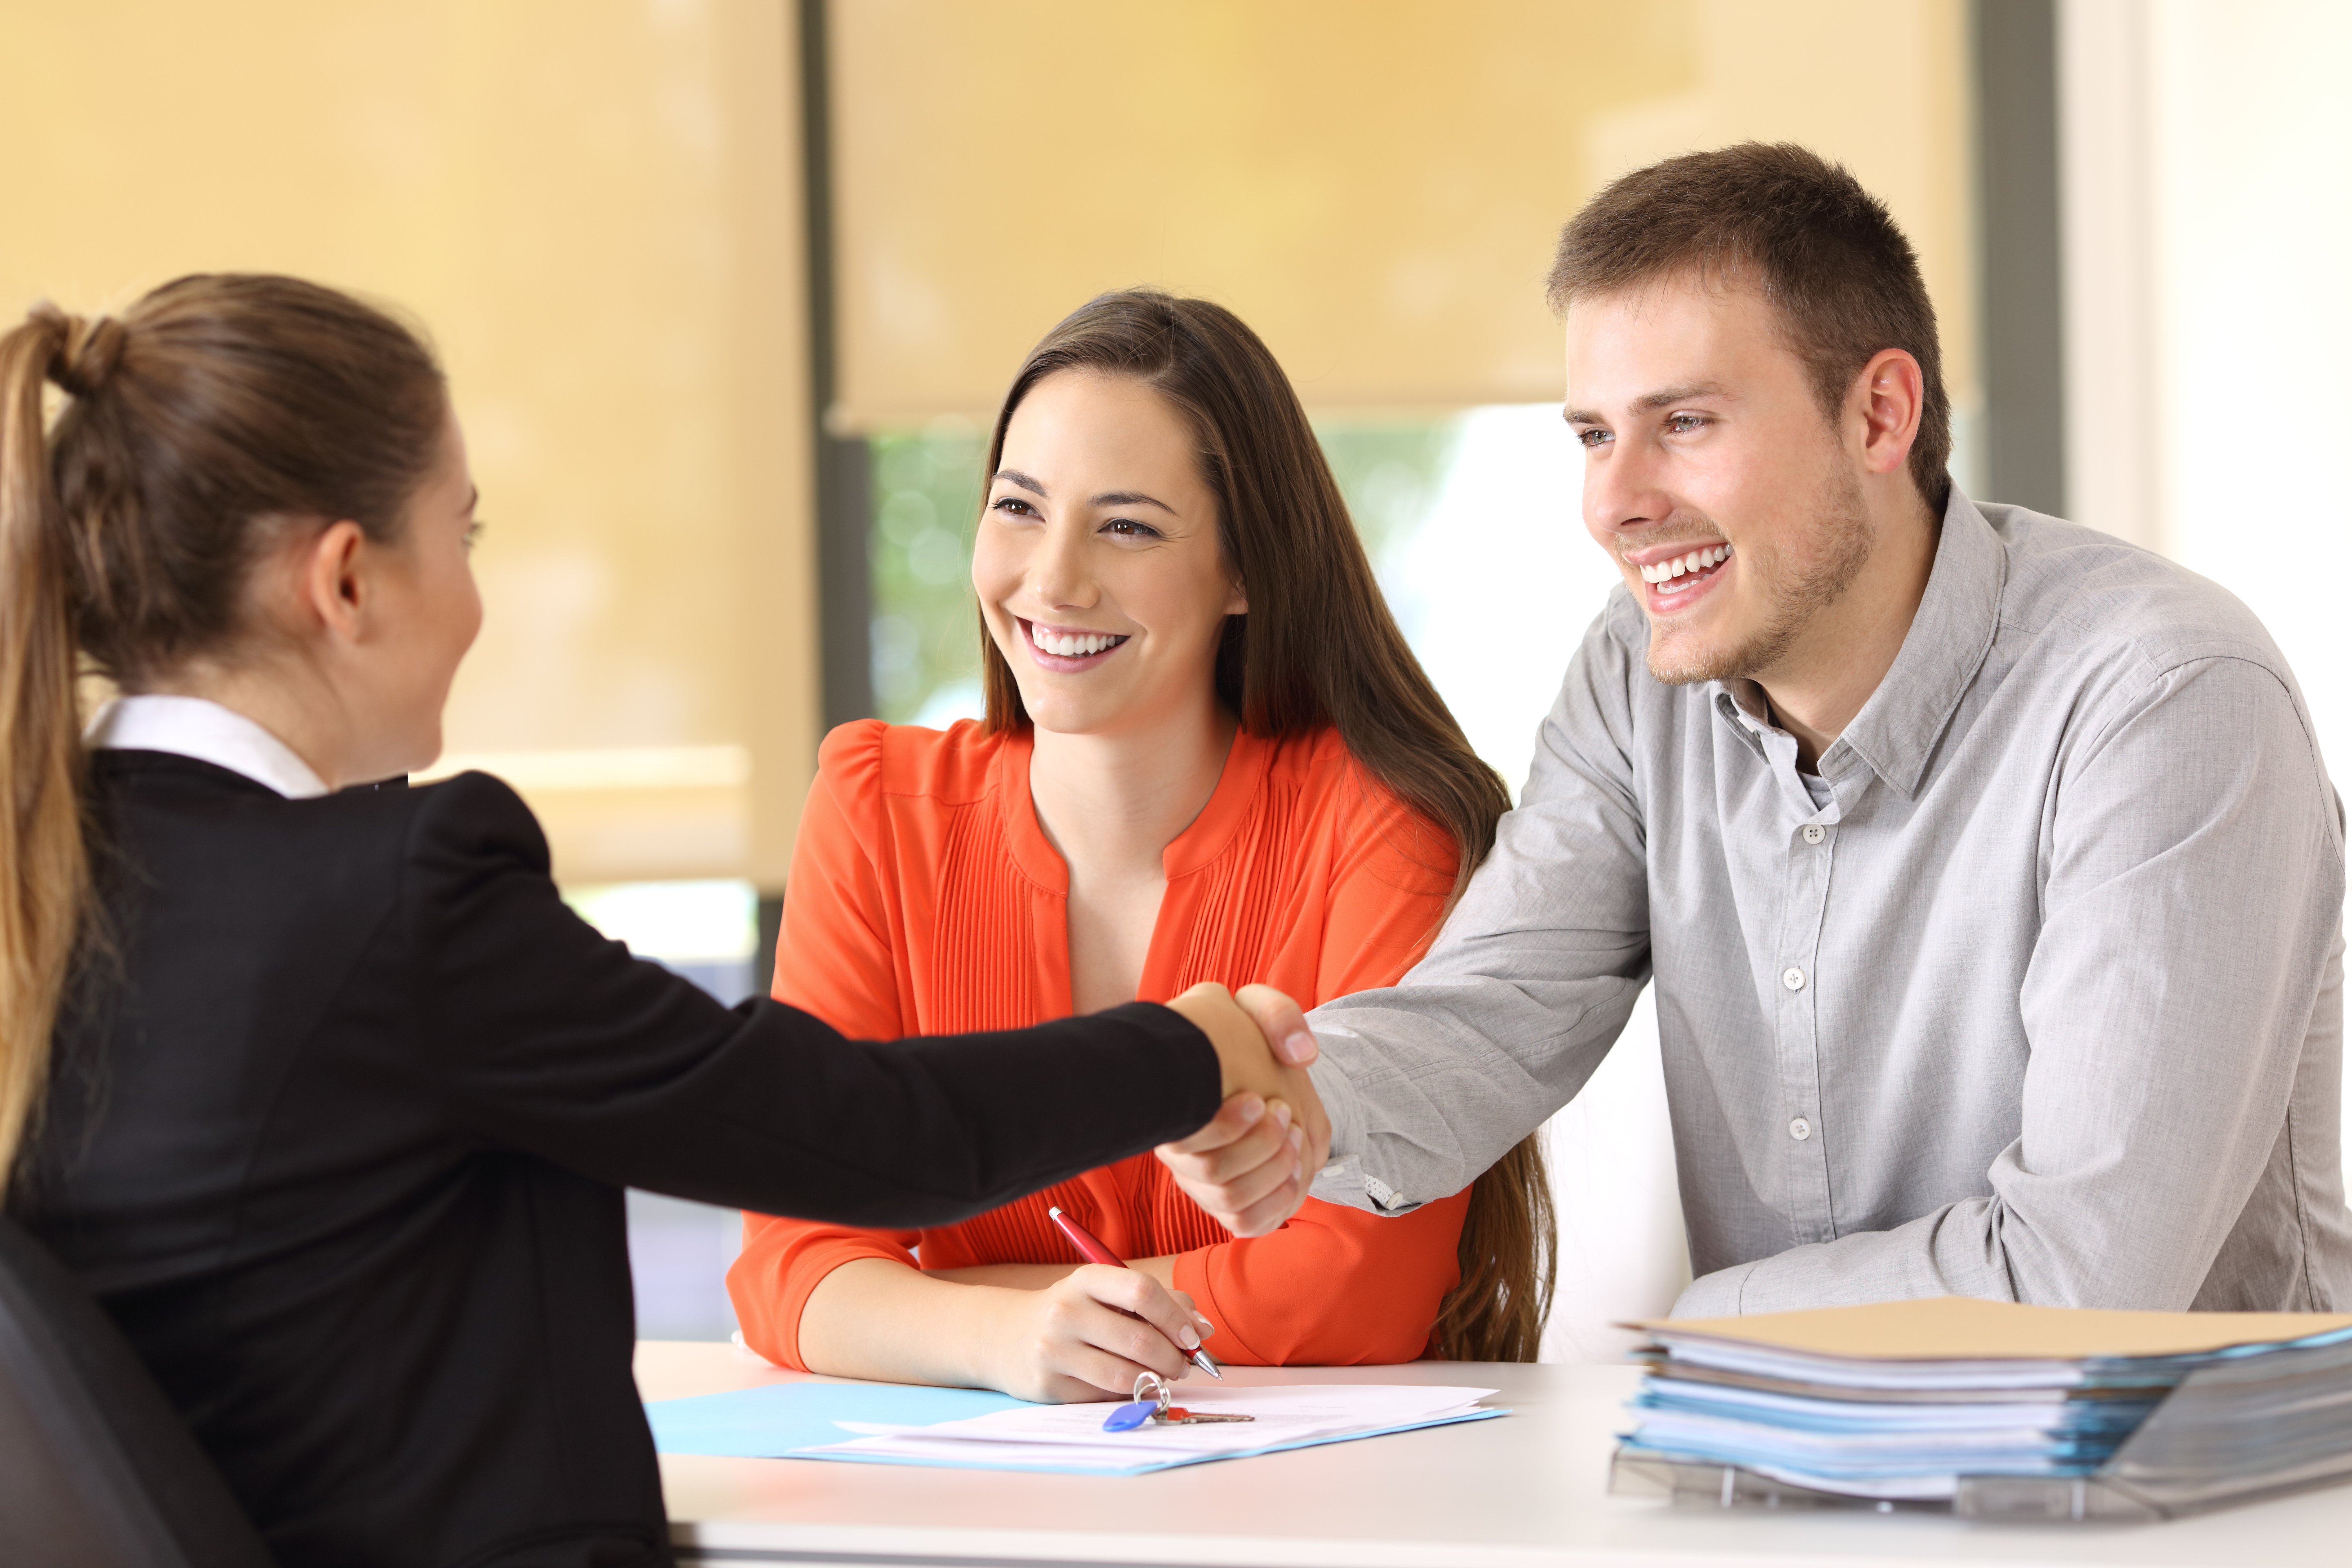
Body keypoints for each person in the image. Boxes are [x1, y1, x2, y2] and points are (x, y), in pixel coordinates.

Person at [0, 274, 1315, 1568]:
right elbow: (861, 1135)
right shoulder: (395, 899)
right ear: (346, 583)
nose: (473, 600)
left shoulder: (44, 886)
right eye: (462, 538)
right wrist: (1192, 1046)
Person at [1162, 141, 2352, 1317]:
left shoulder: (2166, 701)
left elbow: (2080, 1284)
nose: (1614, 503)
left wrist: (1706, 1323)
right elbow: (1496, 1010)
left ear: (1880, 413)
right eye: (1592, 434)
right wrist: (1298, 1101)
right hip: (1786, 1473)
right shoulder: (1639, 673)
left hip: (2167, 1493)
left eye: (1682, 421)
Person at [726, 291, 1555, 1400]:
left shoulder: (1376, 828)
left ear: (1247, 569)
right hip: (985, 1505)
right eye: (1019, 508)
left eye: (1126, 526)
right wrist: (1007, 1343)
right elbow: (791, 1259)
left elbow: (1356, 1286)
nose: (1053, 581)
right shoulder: (876, 808)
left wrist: (940, 1307)